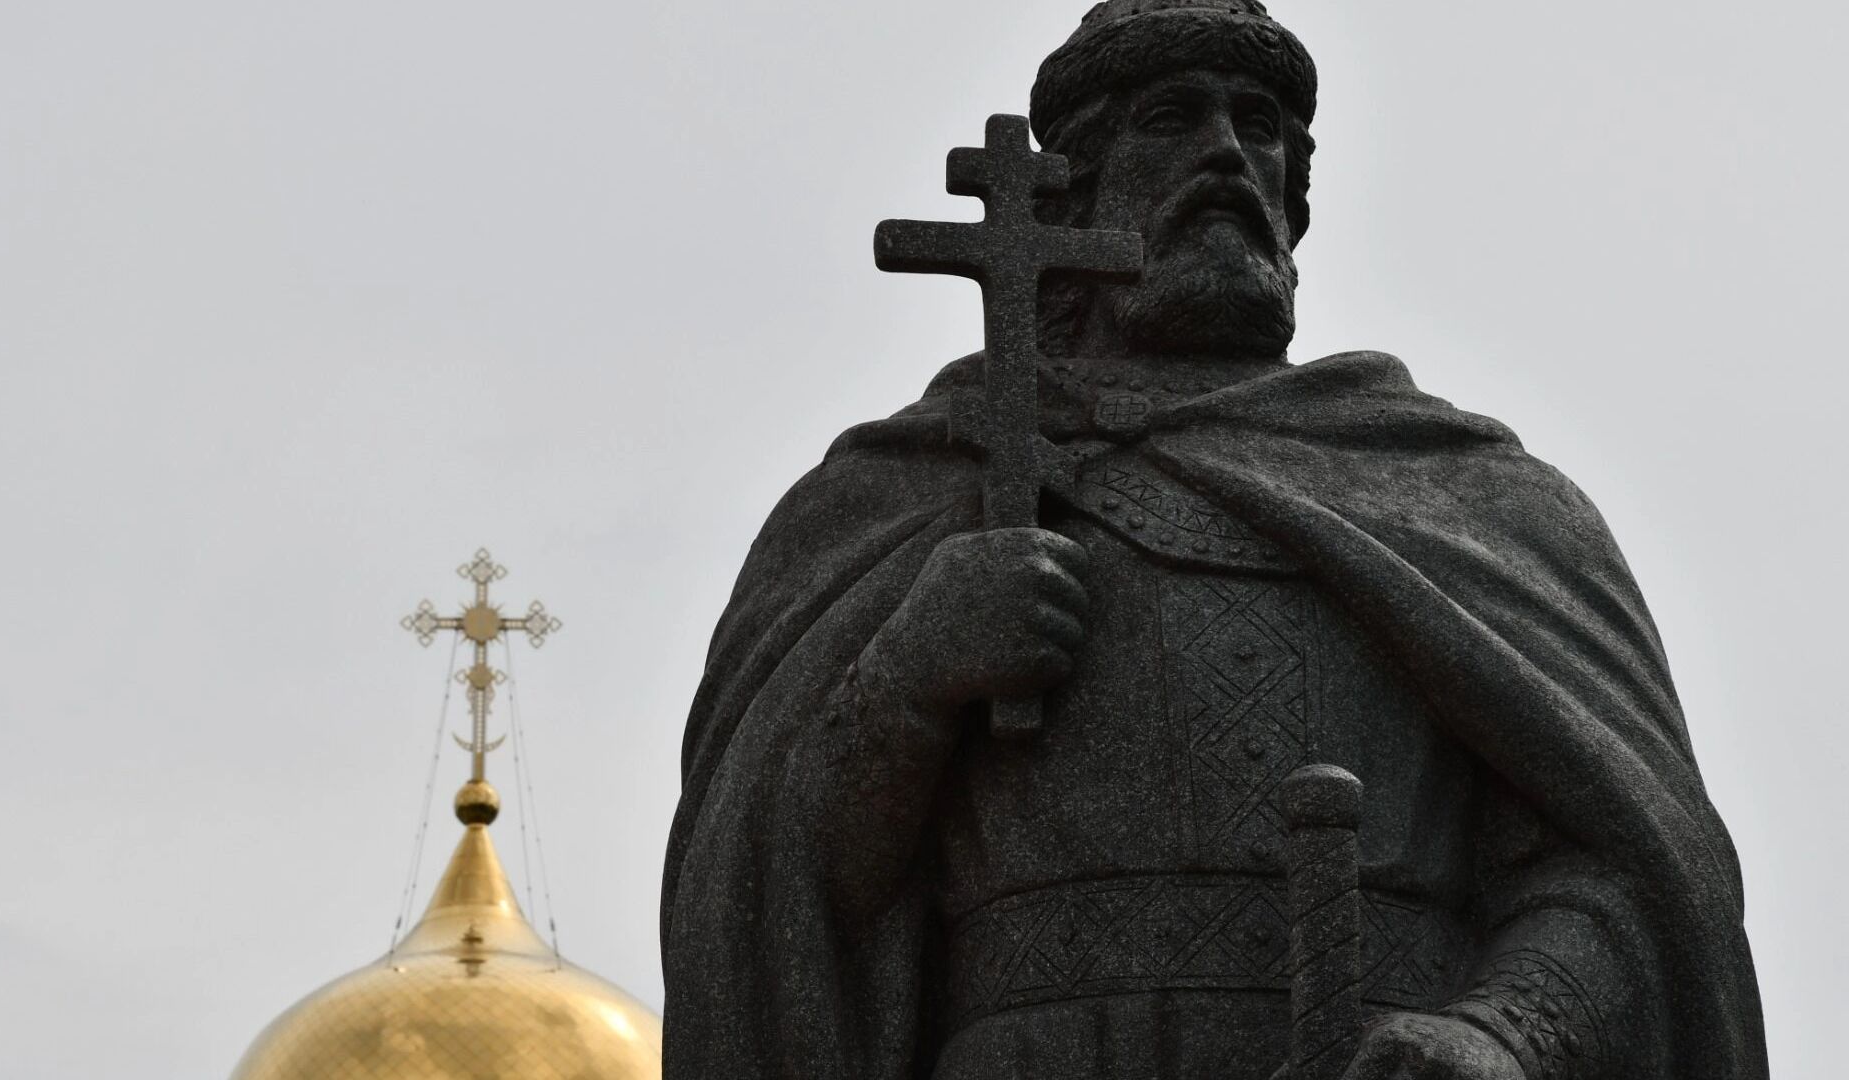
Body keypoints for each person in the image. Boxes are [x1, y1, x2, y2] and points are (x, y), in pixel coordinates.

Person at [661, 3, 1767, 1077]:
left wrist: (1500, 1034)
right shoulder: (908, 497)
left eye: (1261, 126)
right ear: (1069, 190)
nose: (1229, 155)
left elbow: (1639, 869)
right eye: (1171, 118)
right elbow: (752, 895)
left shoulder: (1472, 500)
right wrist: (904, 681)